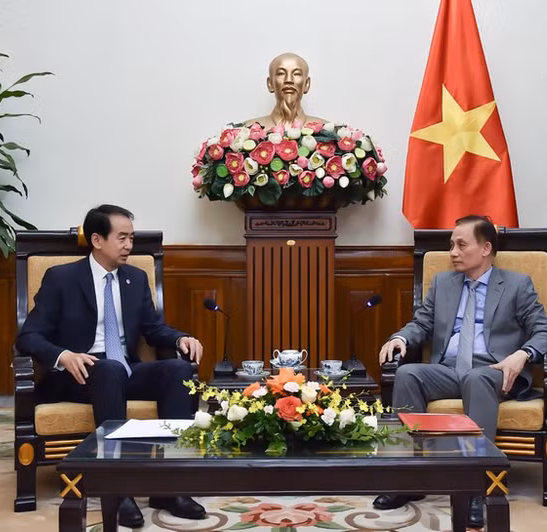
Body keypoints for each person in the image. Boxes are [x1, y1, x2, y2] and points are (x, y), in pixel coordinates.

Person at [16, 204, 207, 526]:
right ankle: (117, 489)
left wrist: (180, 339)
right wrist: (64, 355)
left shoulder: (134, 278)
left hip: (124, 369)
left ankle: (170, 485)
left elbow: (154, 328)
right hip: (79, 374)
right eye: (122, 238)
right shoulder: (62, 278)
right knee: (108, 369)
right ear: (97, 240)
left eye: (131, 238)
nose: (129, 245)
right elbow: (28, 337)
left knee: (178, 369)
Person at [373, 215, 547, 529]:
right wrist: (400, 337)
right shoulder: (444, 283)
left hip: (495, 370)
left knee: (477, 376)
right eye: (451, 245)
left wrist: (521, 355)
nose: (453, 252)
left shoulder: (516, 284)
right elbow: (422, 323)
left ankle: (476, 489)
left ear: (485, 248)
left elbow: (545, 332)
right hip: (448, 370)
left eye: (461, 245)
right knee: (408, 374)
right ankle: (408, 479)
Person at [244, 52, 328, 128]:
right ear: (270, 83)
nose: (289, 80)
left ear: (307, 84)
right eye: (281, 73)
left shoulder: (328, 131)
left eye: (296, 74)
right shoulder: (247, 131)